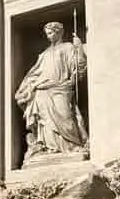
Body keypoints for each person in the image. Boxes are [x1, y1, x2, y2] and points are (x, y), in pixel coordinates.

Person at [14, 21, 87, 161]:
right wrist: (28, 87)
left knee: (65, 115)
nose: (49, 36)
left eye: (52, 33)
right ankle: (49, 148)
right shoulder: (44, 54)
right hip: (42, 89)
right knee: (45, 121)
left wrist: (79, 49)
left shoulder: (68, 47)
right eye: (47, 34)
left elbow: (78, 67)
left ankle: (71, 145)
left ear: (59, 32)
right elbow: (34, 73)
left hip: (61, 87)